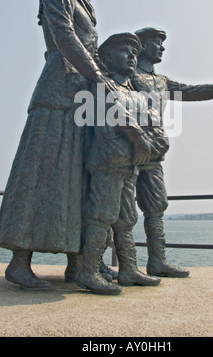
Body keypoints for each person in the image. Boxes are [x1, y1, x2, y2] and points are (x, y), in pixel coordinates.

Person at [0, 0, 115, 290]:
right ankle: (19, 262)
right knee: (40, 170)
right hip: (57, 91)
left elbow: (91, 47)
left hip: (82, 96)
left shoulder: (89, 8)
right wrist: (95, 74)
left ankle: (78, 263)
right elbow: (63, 36)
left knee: (78, 176)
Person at [132, 27, 213, 278]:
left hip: (155, 150)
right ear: (142, 45)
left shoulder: (162, 81)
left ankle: (157, 261)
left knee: (156, 206)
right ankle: (116, 266)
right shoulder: (125, 75)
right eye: (157, 42)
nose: (162, 47)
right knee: (115, 208)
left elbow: (191, 91)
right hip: (127, 148)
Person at [76, 32, 167, 295]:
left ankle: (128, 269)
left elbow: (154, 124)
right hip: (108, 162)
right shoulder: (102, 84)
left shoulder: (136, 92)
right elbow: (117, 113)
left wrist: (152, 143)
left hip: (130, 165)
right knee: (102, 216)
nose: (131, 56)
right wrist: (139, 138)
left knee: (127, 218)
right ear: (107, 57)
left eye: (133, 51)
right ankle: (88, 271)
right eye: (124, 50)